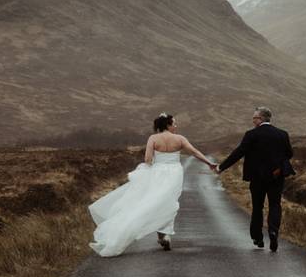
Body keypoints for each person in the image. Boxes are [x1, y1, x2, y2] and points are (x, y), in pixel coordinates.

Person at [89, 113, 216, 256]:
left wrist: (151, 167)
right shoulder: (180, 139)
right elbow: (195, 152)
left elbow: (148, 159)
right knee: (169, 202)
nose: (176, 126)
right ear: (167, 125)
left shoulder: (153, 139)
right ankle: (165, 234)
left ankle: (160, 234)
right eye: (174, 123)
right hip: (175, 173)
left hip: (158, 172)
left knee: (155, 202)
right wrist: (209, 163)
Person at [215, 106, 293, 252]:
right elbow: (289, 153)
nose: (253, 120)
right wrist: (277, 166)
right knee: (275, 204)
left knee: (258, 207)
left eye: (254, 118)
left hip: (257, 177)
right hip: (277, 176)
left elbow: (238, 153)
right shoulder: (282, 134)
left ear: (261, 119)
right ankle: (273, 232)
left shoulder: (251, 134)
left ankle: (257, 237)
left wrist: (222, 167)